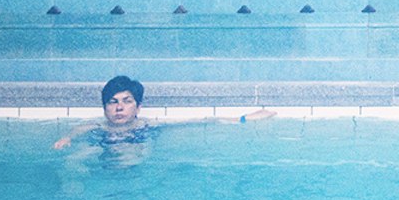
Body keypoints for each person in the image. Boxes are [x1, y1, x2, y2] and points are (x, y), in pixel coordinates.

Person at [51, 74, 273, 149]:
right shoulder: (97, 126)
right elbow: (77, 130)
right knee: (76, 161)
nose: (119, 107)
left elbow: (201, 120)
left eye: (127, 101)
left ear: (138, 107)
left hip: (135, 147)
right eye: (113, 102)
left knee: (131, 154)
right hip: (103, 147)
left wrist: (242, 118)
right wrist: (66, 138)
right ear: (105, 107)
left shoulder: (148, 126)